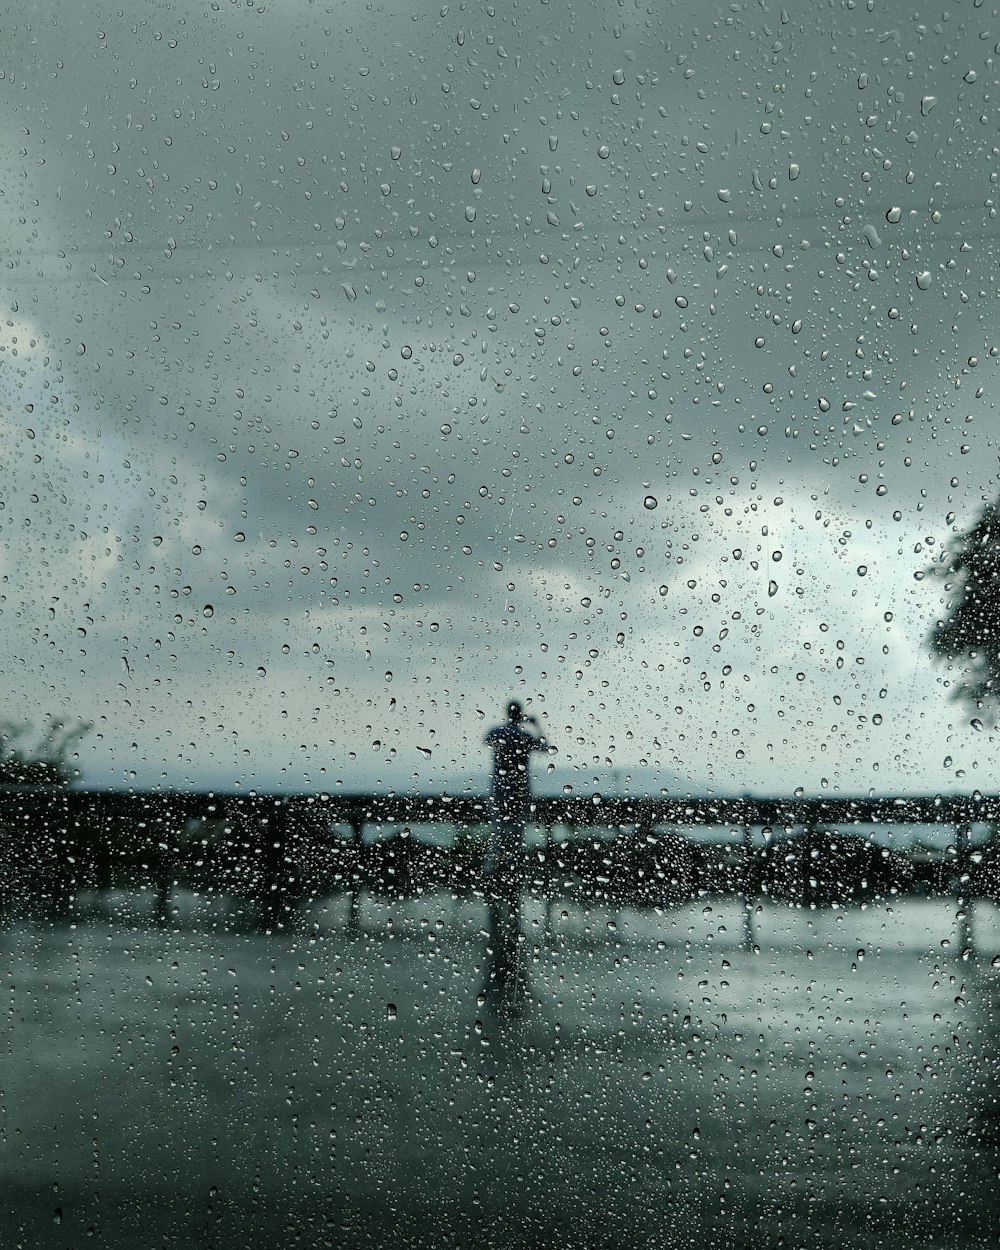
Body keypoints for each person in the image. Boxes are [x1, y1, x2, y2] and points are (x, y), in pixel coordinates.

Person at [481, 700, 549, 1000]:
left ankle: (498, 872)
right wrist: (533, 725)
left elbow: (487, 739)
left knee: (500, 837)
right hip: (520, 794)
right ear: (519, 715)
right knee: (515, 839)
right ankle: (512, 873)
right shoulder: (523, 736)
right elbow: (546, 748)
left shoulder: (498, 732)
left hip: (500, 792)